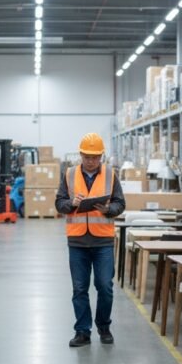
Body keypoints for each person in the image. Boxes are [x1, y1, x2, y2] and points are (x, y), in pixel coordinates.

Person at [55, 132, 126, 347]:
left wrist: (108, 209)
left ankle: (104, 327)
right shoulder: (69, 174)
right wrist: (72, 204)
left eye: (95, 157)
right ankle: (83, 331)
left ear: (101, 156)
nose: (91, 161)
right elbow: (59, 204)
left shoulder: (110, 175)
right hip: (77, 241)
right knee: (79, 288)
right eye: (87, 157)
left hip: (103, 241)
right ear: (81, 155)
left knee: (105, 286)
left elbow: (120, 204)